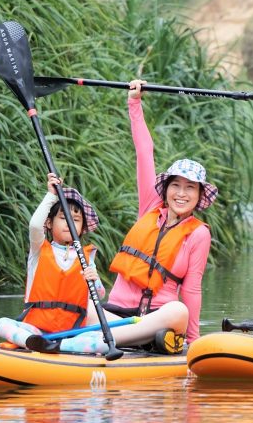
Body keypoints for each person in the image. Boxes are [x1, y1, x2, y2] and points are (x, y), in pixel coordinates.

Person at [27, 80, 218, 355]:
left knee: (179, 310)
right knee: (85, 303)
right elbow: (144, 153)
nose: (181, 193)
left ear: (199, 195)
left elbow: (192, 289)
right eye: (176, 185)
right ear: (166, 189)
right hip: (115, 315)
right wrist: (134, 104)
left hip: (157, 319)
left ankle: (101, 341)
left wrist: (193, 339)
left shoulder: (199, 233)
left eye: (190, 188)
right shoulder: (150, 207)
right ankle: (120, 339)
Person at [0, 173, 104, 349]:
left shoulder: (86, 258)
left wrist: (94, 279)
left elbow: (98, 295)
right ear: (50, 223)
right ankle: (32, 342)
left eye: (75, 220)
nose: (69, 223)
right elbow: (34, 226)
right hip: (35, 329)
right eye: (63, 218)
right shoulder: (39, 248)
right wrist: (51, 195)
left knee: (103, 341)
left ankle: (57, 347)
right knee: (1, 323)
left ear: (82, 229)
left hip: (71, 332)